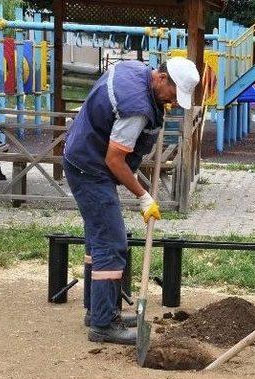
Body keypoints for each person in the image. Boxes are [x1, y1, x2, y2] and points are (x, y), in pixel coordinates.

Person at [63, 57, 200, 345]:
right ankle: (103, 325)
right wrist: (143, 196)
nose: (174, 103)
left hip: (82, 155)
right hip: (90, 167)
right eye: (174, 96)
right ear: (162, 78)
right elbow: (114, 160)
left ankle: (98, 311)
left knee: (97, 239)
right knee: (112, 243)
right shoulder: (136, 108)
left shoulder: (135, 71)